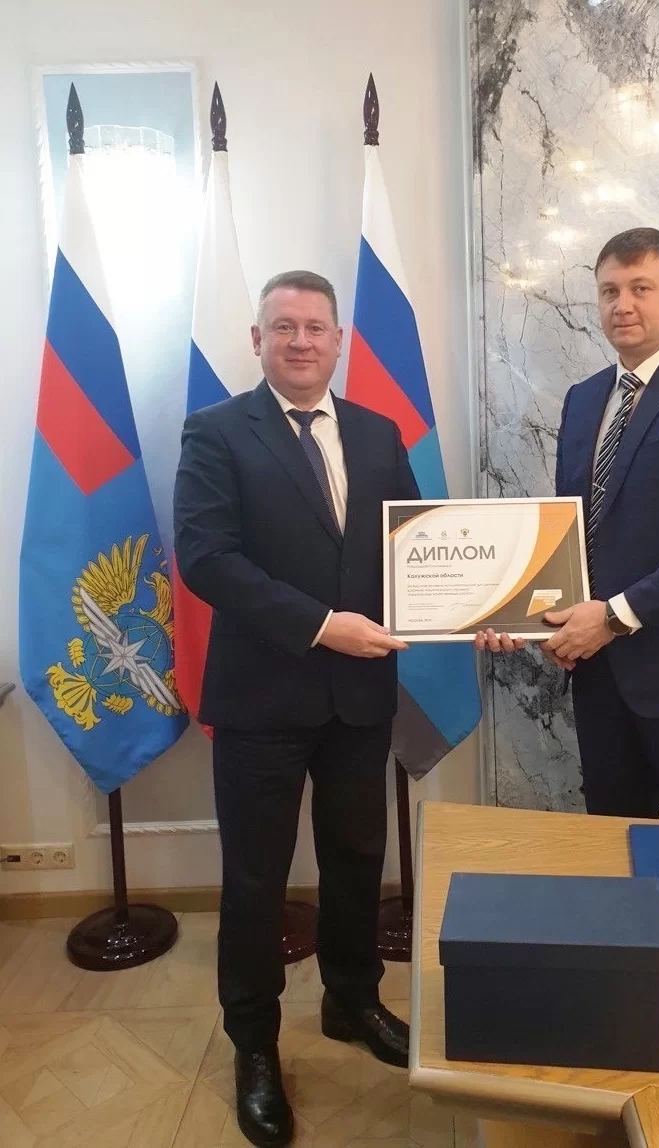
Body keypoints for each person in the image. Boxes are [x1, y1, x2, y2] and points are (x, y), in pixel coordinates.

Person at [174, 271, 417, 1148]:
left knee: (356, 859)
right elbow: (206, 557)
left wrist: (476, 612)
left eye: (317, 327)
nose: (302, 341)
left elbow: (415, 547)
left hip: (360, 698)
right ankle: (255, 1046)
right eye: (285, 327)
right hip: (262, 700)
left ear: (339, 340)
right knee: (256, 881)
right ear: (258, 340)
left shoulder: (379, 433)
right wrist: (321, 626)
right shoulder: (215, 432)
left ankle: (353, 1001)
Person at [479, 228, 659, 823]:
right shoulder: (584, 398)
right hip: (600, 677)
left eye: (641, 288)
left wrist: (613, 618)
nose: (623, 305)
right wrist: (526, 616)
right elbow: (573, 534)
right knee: (612, 846)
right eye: (610, 291)